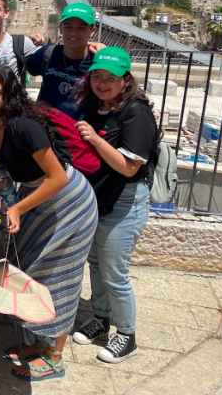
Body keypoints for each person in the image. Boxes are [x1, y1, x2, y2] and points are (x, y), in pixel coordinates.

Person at [0, 65, 98, 381]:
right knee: (31, 269)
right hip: (37, 197)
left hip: (69, 201)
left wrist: (18, 208)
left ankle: (55, 356)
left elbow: (58, 176)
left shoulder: (23, 126)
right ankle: (37, 345)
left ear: (9, 95)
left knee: (59, 273)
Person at [72, 47, 157, 364]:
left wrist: (95, 139)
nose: (102, 83)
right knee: (96, 262)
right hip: (100, 199)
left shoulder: (137, 114)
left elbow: (128, 167)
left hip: (125, 200)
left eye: (110, 78)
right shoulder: (98, 106)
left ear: (125, 80)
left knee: (114, 272)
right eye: (97, 76)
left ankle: (127, 334)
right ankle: (101, 318)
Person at [26, 2, 100, 120]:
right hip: (44, 131)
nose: (73, 32)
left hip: (78, 134)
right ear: (60, 28)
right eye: (68, 26)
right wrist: (27, 39)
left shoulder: (98, 62)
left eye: (81, 27)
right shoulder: (47, 54)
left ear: (92, 31)